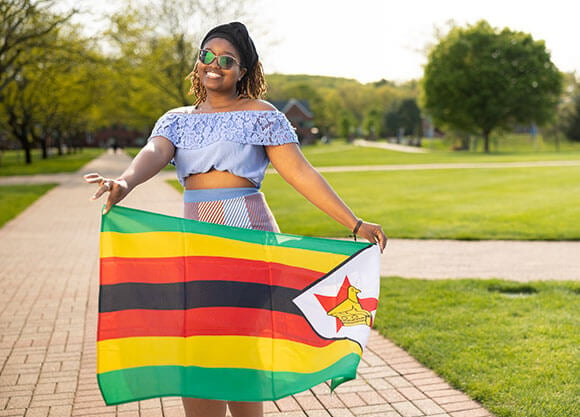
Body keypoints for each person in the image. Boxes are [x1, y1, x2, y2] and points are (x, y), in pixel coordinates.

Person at [85, 21, 387, 417]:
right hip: (196, 243)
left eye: (226, 60)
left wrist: (354, 222)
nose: (214, 65)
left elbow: (301, 174)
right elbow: (154, 153)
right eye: (206, 56)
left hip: (249, 240)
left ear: (243, 70)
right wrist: (125, 182)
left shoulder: (263, 115)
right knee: (194, 348)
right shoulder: (176, 119)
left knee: (240, 350)